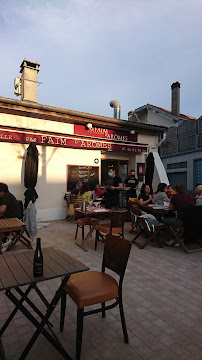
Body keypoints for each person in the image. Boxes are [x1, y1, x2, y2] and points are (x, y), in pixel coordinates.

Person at [0, 183, 21, 252]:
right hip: (7, 216)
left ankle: (5, 240)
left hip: (14, 219)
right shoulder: (3, 196)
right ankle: (4, 239)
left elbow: (2, 210)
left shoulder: (7, 196)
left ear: (2, 192)